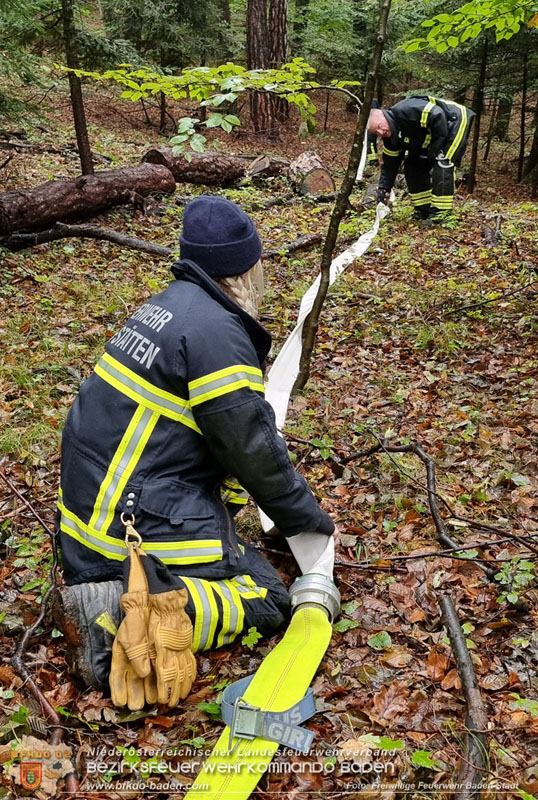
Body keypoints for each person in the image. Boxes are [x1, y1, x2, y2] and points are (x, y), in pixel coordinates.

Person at [53, 195, 336, 707]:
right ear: (242, 270)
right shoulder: (216, 333)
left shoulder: (168, 306)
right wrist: (308, 521)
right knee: (267, 596)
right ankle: (117, 613)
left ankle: (118, 592)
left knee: (241, 558)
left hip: (87, 519)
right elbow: (249, 448)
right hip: (124, 530)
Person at [368, 95, 475, 221]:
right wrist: (384, 188)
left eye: (379, 126)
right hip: (431, 135)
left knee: (442, 162)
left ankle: (440, 214)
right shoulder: (391, 139)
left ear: (383, 116)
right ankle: (424, 209)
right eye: (376, 132)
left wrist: (433, 152)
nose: (380, 132)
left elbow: (438, 115)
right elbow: (390, 165)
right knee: (413, 165)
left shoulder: (407, 110)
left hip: (454, 120)